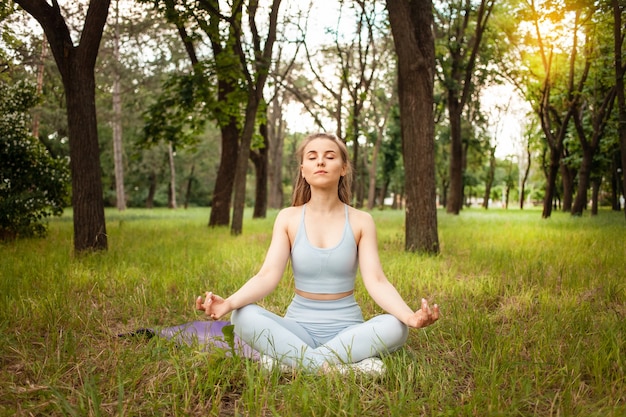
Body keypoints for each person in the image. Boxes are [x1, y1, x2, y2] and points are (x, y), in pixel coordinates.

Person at [196, 132, 439, 373]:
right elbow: (267, 276)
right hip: (297, 329)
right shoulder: (288, 218)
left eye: (329, 156)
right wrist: (228, 303)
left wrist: (409, 317)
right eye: (312, 157)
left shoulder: (361, 221)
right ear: (303, 169)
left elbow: (376, 281)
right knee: (241, 316)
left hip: (348, 331)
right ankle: (341, 368)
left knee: (396, 327)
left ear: (343, 168)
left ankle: (291, 363)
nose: (320, 161)